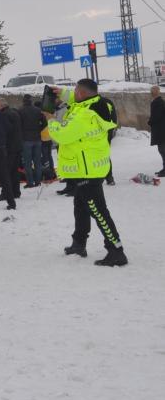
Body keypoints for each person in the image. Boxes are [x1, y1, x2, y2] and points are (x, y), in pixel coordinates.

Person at [46, 79, 126, 266]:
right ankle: (78, 243)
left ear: (81, 93)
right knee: (81, 207)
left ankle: (116, 251)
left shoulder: (85, 114)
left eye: (75, 91)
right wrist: (62, 93)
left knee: (98, 211)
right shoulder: (101, 103)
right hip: (90, 168)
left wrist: (51, 119)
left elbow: (62, 135)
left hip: (87, 170)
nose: (73, 93)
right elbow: (78, 99)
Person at [0, 99, 23, 200]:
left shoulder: (4, 115)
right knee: (15, 171)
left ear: (1, 106)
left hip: (9, 147)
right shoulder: (14, 113)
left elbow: (5, 131)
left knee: (6, 172)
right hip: (17, 146)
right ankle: (16, 192)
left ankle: (6, 193)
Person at [18, 94, 47, 188]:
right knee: (37, 162)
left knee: (27, 163)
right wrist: (39, 129)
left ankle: (30, 182)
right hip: (37, 138)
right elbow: (45, 123)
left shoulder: (20, 111)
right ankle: (38, 181)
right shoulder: (38, 110)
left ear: (23, 101)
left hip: (26, 139)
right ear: (31, 100)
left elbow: (18, 125)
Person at [93, 95, 118, 185]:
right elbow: (114, 118)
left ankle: (98, 177)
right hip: (108, 132)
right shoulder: (108, 101)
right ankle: (109, 178)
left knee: (95, 155)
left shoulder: (93, 103)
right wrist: (112, 129)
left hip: (96, 133)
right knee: (105, 154)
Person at [150, 85, 165, 177]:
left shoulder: (158, 102)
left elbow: (157, 116)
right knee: (162, 150)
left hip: (161, 130)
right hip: (161, 130)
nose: (152, 93)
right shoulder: (159, 101)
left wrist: (150, 121)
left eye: (152, 91)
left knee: (163, 150)